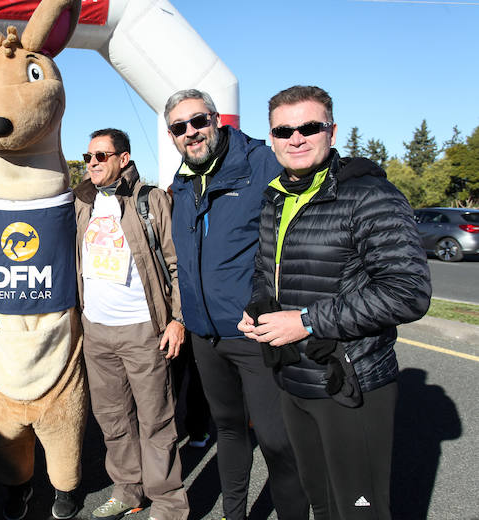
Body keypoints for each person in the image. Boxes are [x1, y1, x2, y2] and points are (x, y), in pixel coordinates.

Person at [239, 85, 431, 519]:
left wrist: (306, 321)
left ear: (332, 131)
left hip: (352, 382)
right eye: (283, 130)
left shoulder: (370, 196)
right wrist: (258, 309)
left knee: (359, 510)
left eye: (309, 127)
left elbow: (408, 292)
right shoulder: (275, 196)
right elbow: (266, 272)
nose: (296, 138)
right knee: (321, 503)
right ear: (271, 137)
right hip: (294, 378)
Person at [166, 89, 308, 520]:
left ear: (216, 119)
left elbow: (297, 237)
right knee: (227, 430)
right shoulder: (183, 179)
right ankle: (235, 514)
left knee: (276, 438)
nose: (191, 133)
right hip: (205, 334)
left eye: (198, 121)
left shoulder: (262, 162)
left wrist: (272, 304)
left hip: (253, 331)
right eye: (179, 128)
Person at [74, 129, 189, 520]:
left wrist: (177, 319)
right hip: (97, 331)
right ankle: (128, 490)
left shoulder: (149, 199)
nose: (92, 163)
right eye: (88, 156)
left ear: (123, 159)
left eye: (101, 156)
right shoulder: (82, 203)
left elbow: (176, 264)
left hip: (144, 328)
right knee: (112, 419)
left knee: (156, 420)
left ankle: (169, 503)